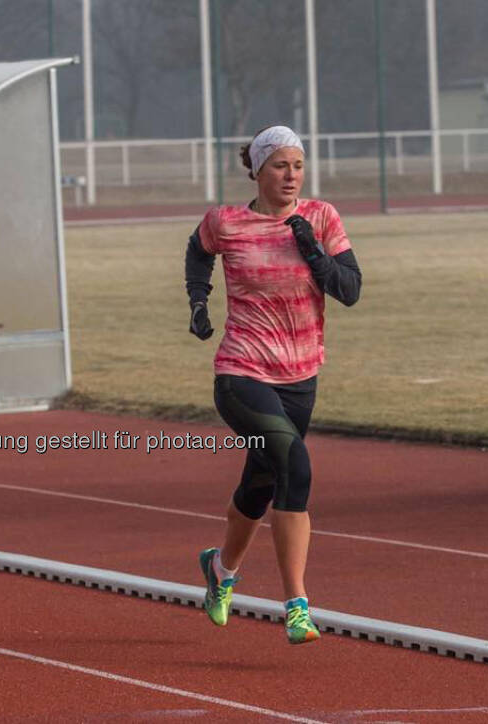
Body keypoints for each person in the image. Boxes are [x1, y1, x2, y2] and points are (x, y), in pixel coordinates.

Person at [185, 125, 361, 644]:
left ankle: (219, 569)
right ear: (257, 170)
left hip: (300, 378)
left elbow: (349, 290)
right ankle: (298, 606)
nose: (291, 176)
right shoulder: (227, 223)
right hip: (242, 373)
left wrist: (314, 252)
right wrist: (199, 300)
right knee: (295, 465)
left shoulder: (321, 217)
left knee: (261, 484)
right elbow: (198, 251)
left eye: (298, 166)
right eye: (281, 165)